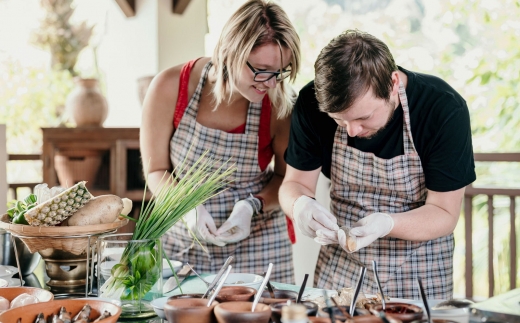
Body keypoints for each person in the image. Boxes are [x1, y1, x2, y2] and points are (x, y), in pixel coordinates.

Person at [279, 29, 476, 298]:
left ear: (393, 83)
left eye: (364, 117)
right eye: (339, 120)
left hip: (419, 268)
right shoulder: (310, 103)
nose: (351, 131)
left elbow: (444, 212)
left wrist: (387, 223)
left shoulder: (442, 109)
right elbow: (295, 182)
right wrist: (299, 205)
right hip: (341, 266)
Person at [140, 0, 301, 283]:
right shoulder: (170, 87)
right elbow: (156, 171)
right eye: (262, 70)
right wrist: (185, 207)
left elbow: (287, 179)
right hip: (184, 245)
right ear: (230, 52)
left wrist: (251, 206)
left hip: (259, 246)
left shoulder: (279, 104)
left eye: (281, 71)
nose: (272, 83)